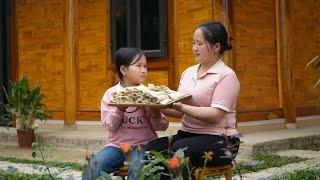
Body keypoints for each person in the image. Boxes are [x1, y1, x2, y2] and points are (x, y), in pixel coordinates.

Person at [146, 21, 241, 178]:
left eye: (199, 43)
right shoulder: (188, 73)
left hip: (221, 140)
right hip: (188, 134)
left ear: (216, 47)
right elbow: (177, 111)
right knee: (152, 148)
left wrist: (181, 108)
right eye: (193, 43)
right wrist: (156, 103)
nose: (194, 48)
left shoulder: (227, 75)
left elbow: (215, 115)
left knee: (180, 150)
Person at [83, 47, 169, 180]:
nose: (144, 70)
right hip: (116, 146)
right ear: (123, 70)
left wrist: (155, 111)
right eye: (138, 66)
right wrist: (120, 109)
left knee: (138, 170)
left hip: (143, 145)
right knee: (94, 167)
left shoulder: (149, 93)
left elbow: (162, 126)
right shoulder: (111, 94)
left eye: (145, 66)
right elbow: (110, 126)